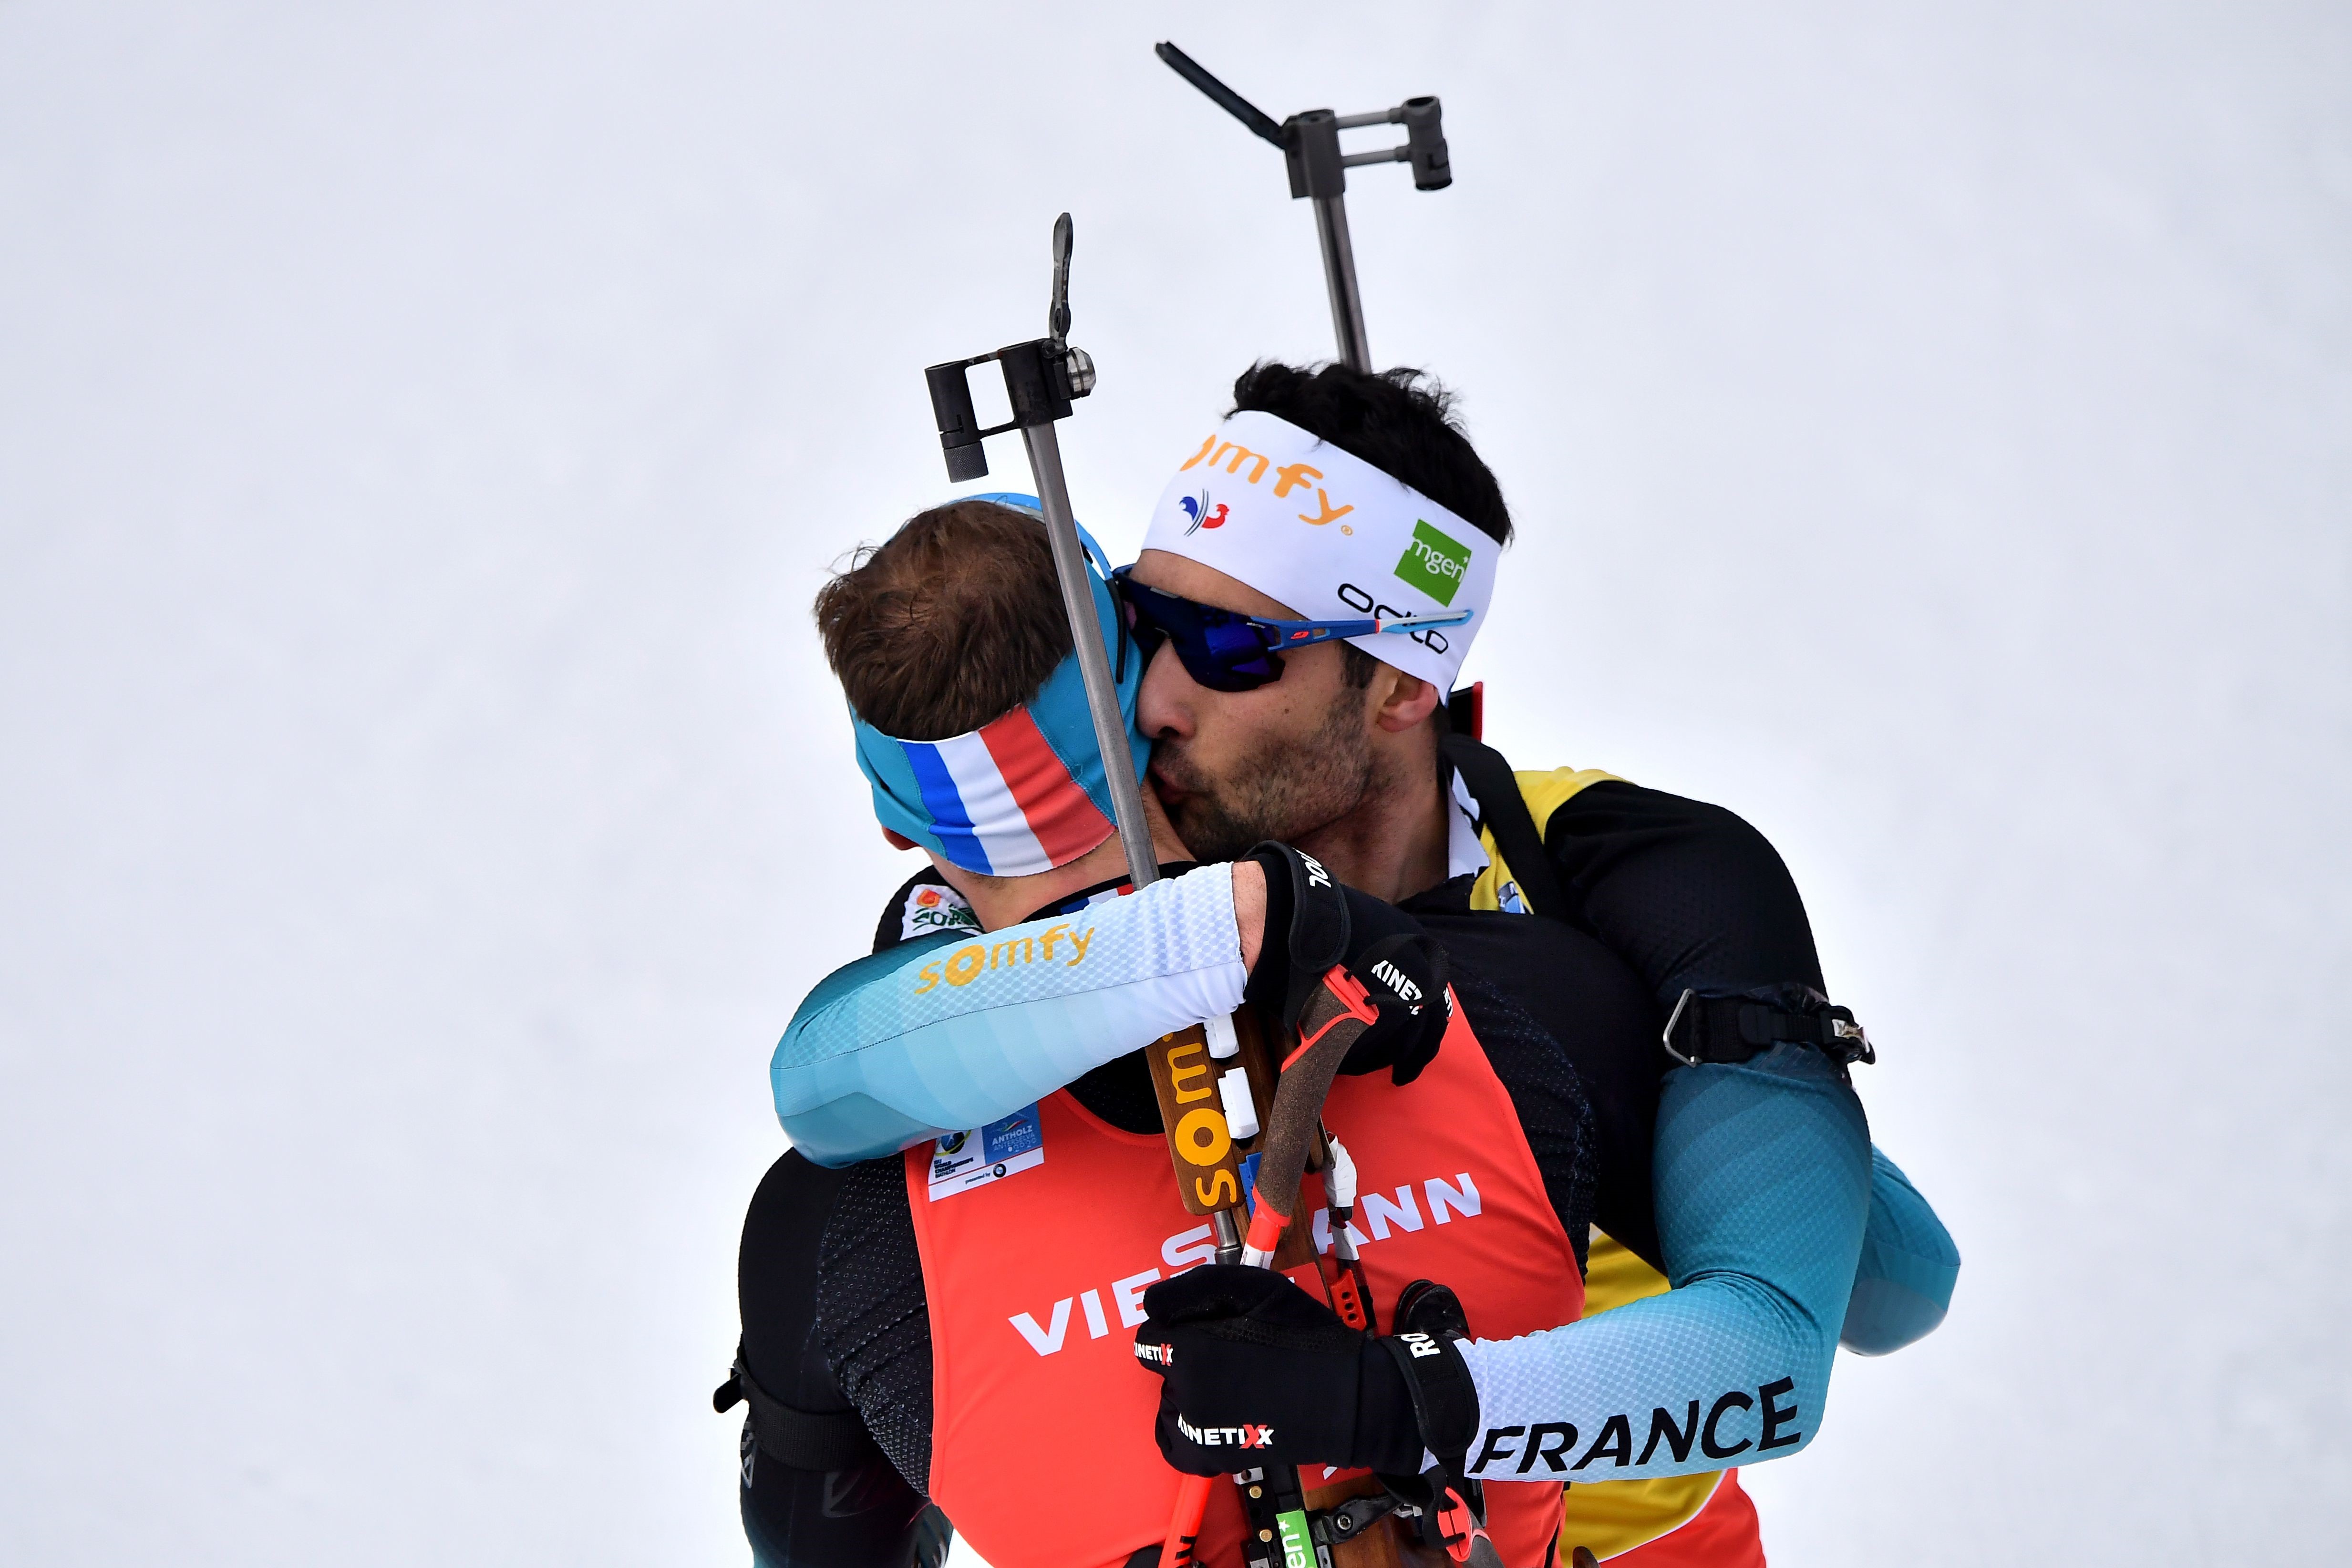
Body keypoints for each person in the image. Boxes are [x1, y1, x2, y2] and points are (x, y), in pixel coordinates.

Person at [748, 366, 1960, 1565]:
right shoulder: (1080, 911)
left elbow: (1853, 1315)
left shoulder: (1609, 878)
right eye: (1142, 628)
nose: (1155, 699)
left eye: (1229, 651)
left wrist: (1673, 1086)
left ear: (1396, 684)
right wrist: (1246, 921)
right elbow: (819, 1084)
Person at [727, 495, 1622, 1568]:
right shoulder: (1495, 1006)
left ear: (893, 820)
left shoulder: (826, 1221)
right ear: (1147, 696)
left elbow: (813, 1546)